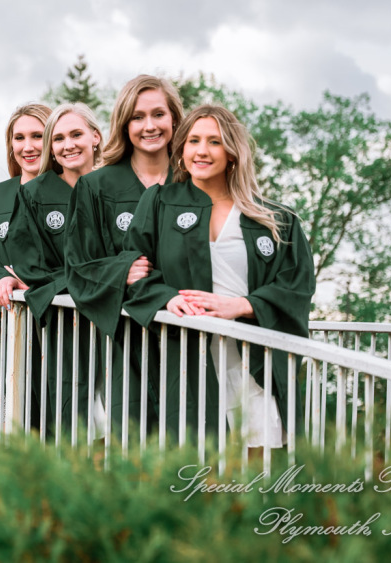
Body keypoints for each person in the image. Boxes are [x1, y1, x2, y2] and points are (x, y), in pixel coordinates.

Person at [123, 104, 316, 447]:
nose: (202, 151)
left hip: (250, 353)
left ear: (232, 152)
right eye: (194, 140)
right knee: (195, 460)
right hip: (184, 353)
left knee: (258, 454)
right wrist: (168, 297)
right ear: (181, 150)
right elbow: (135, 270)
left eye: (214, 142)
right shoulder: (159, 203)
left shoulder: (273, 218)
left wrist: (242, 305)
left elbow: (296, 286)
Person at [65, 75, 184, 435]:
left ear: (174, 119)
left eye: (158, 114)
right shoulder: (97, 186)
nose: (149, 126)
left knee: (194, 438)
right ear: (123, 124)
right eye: (137, 117)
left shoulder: (193, 182)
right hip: (125, 338)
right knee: (133, 438)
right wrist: (121, 270)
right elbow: (78, 266)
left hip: (190, 332)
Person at [5, 102, 105, 439]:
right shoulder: (34, 194)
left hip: (124, 323)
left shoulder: (119, 187)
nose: (68, 145)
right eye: (58, 138)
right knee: (77, 422)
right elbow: (31, 267)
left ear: (96, 136)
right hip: (68, 326)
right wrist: (104, 281)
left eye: (76, 134)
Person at [0, 103, 51, 430]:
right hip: (15, 326)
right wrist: (1, 276)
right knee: (19, 417)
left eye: (37, 136)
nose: (27, 146)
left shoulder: (73, 191)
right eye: (19, 137)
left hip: (64, 321)